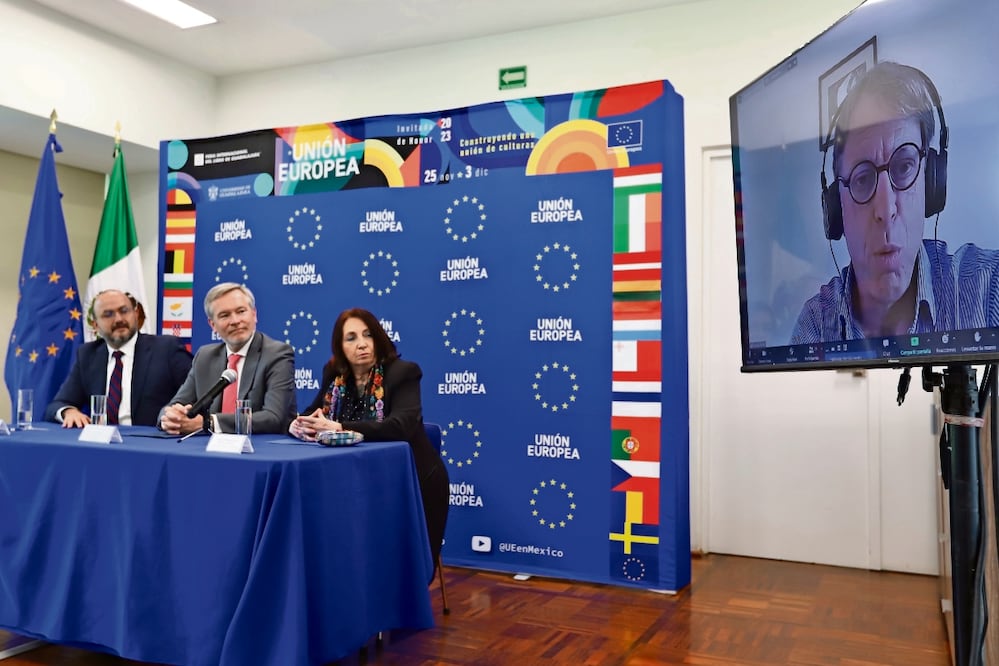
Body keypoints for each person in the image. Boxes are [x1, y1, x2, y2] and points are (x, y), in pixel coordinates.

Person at [791, 62, 999, 343]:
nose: (885, 209)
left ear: (931, 180)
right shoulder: (815, 325)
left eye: (904, 167)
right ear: (837, 207)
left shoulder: (988, 290)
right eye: (862, 179)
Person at [289, 307, 449, 571]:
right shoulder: (335, 376)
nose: (361, 344)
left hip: (410, 481)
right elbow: (311, 413)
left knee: (400, 567)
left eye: (368, 335)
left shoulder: (403, 372)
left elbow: (401, 427)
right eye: (351, 338)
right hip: (353, 480)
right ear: (340, 346)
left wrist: (338, 425)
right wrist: (297, 424)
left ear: (378, 338)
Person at [159, 282, 295, 435]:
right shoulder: (205, 356)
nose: (235, 321)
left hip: (259, 450)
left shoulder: (276, 354)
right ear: (213, 325)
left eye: (241, 311)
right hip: (208, 450)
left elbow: (274, 418)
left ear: (254, 314)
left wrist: (209, 423)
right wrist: (171, 417)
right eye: (225, 315)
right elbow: (175, 404)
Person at [44, 290, 192, 427]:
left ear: (135, 314)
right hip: (103, 445)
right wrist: (68, 411)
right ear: (96, 325)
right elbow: (57, 404)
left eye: (124, 311)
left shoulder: (166, 348)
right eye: (108, 314)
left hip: (152, 442)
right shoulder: (88, 355)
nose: (119, 319)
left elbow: (196, 395)